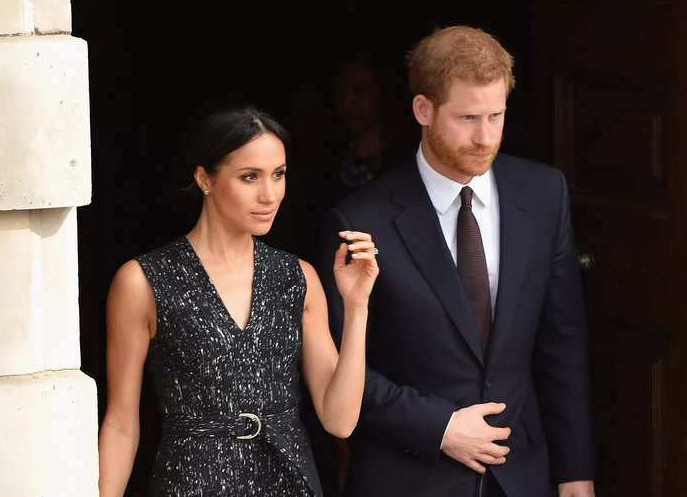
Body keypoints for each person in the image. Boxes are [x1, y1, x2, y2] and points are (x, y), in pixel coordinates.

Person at [315, 26, 595, 497]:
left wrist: (575, 474)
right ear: (423, 109)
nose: (485, 137)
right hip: (407, 477)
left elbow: (561, 343)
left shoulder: (545, 193)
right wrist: (439, 426)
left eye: (496, 116)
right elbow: (339, 368)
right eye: (467, 117)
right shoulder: (361, 218)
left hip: (522, 476)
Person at [97, 107, 379, 496]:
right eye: (250, 177)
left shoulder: (296, 278)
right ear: (204, 179)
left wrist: (357, 306)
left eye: (278, 174)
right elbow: (122, 423)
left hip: (289, 482)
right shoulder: (143, 281)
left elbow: (340, 420)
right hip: (190, 484)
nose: (270, 194)